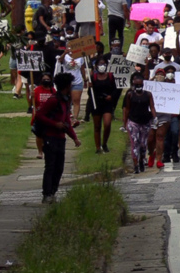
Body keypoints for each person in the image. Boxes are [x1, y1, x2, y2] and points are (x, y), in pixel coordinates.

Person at [33, 73, 81, 204]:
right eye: (70, 85)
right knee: (50, 166)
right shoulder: (53, 100)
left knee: (59, 168)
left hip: (61, 138)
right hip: (50, 138)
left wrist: (75, 138)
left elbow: (66, 122)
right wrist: (54, 124)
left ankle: (53, 191)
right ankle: (47, 193)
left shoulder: (65, 101)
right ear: (66, 86)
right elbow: (39, 115)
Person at [122, 73, 157, 173]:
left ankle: (142, 159)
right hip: (133, 122)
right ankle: (135, 164)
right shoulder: (130, 95)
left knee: (143, 144)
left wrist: (155, 118)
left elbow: (152, 107)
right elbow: (127, 109)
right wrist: (125, 123)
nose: (138, 87)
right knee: (134, 143)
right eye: (136, 85)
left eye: (140, 85)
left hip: (145, 122)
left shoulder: (148, 94)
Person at [87, 60, 119, 154]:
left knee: (107, 124)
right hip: (96, 103)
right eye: (100, 64)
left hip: (107, 103)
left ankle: (104, 143)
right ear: (96, 66)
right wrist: (90, 87)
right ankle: (98, 147)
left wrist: (111, 96)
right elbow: (90, 94)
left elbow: (116, 89)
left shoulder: (110, 76)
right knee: (97, 126)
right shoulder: (93, 77)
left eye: (103, 64)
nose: (102, 66)